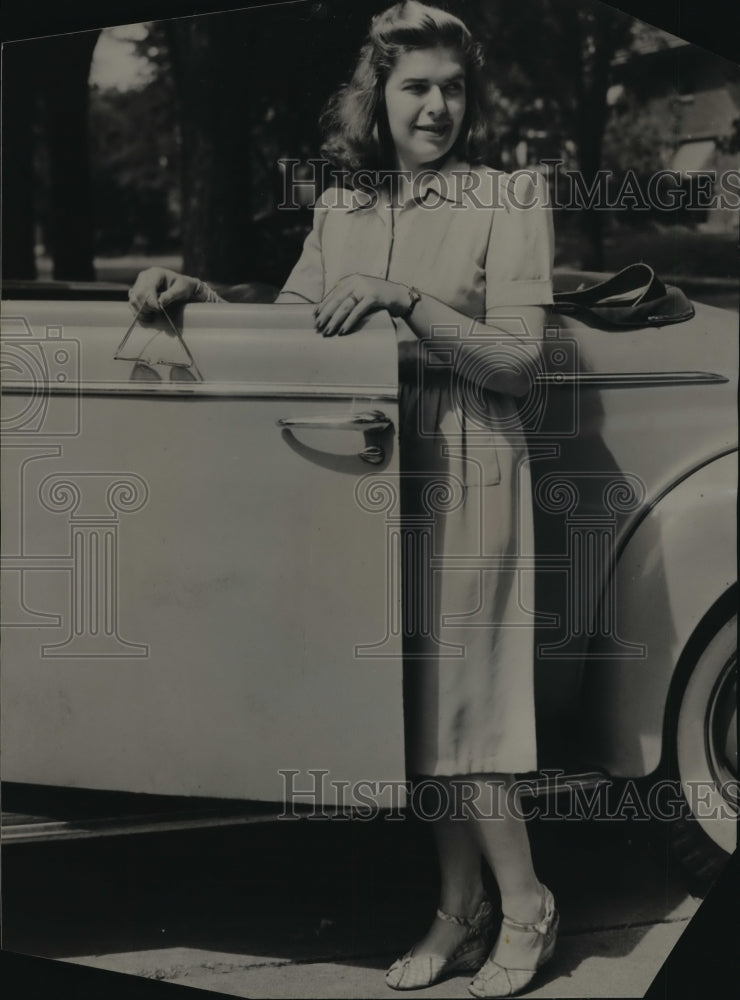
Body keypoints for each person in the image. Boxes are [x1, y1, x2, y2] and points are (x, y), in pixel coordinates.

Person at [129, 3, 558, 995]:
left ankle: (528, 903)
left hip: (468, 461)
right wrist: (197, 295)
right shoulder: (343, 208)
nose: (437, 106)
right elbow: (292, 334)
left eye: (453, 87)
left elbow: (519, 361)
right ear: (380, 95)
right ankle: (460, 908)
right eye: (416, 86)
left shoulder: (507, 196)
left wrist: (406, 299)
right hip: (370, 474)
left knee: (465, 708)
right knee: (410, 710)